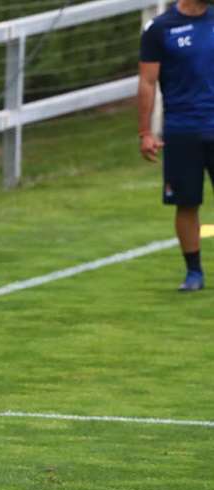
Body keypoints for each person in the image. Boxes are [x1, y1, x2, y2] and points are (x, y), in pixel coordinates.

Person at [138, 0, 214, 291]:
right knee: (186, 203)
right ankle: (194, 272)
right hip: (183, 130)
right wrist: (145, 132)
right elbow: (147, 82)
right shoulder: (160, 29)